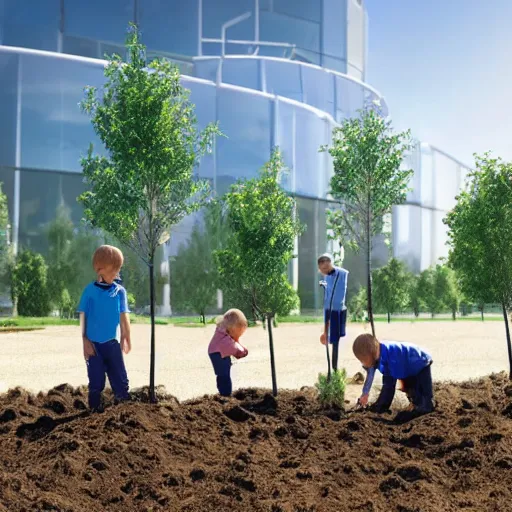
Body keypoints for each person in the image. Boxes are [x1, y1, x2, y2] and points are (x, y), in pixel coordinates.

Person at [78, 245, 131, 412]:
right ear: (100, 269)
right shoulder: (90, 291)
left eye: (119, 268)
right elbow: (82, 316)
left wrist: (126, 335)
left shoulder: (119, 292)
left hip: (112, 344)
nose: (117, 272)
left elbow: (124, 315)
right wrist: (84, 340)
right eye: (114, 269)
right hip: (94, 346)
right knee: (96, 381)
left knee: (121, 381)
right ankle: (93, 411)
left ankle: (123, 410)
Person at [353, 333, 434, 417]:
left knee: (423, 394)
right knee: (409, 389)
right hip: (406, 365)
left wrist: (381, 406)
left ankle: (425, 407)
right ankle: (414, 404)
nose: (362, 363)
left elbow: (389, 386)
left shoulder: (391, 356)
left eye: (362, 360)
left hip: (420, 362)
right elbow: (370, 375)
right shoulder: (376, 355)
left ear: (370, 356)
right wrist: (365, 394)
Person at [318, 253, 349, 371]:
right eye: (321, 269)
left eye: (325, 268)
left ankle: (334, 369)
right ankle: (333, 369)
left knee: (337, 339)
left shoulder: (341, 273)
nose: (323, 271)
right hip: (329, 308)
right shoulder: (326, 277)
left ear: (330, 263)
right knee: (333, 338)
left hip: (339, 309)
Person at [208, 309, 249, 397]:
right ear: (232, 328)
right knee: (223, 374)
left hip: (218, 352)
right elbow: (235, 350)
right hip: (217, 354)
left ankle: (224, 393)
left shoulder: (223, 332)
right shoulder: (225, 339)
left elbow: (234, 343)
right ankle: (225, 394)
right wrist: (242, 352)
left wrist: (240, 346)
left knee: (224, 372)